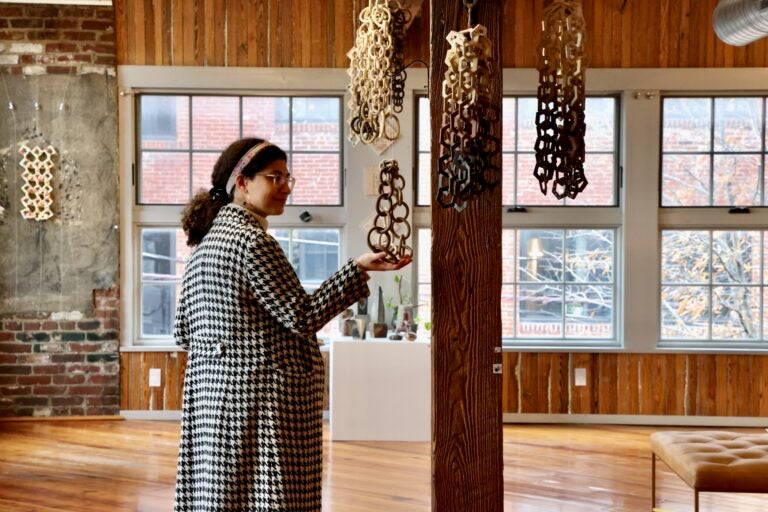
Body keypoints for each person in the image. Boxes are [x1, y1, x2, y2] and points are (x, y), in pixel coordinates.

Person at [173, 137, 411, 511]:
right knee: (274, 500)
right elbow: (303, 316)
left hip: (211, 399)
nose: (285, 187)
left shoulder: (204, 244)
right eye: (274, 177)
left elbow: (182, 331)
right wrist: (357, 267)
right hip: (266, 400)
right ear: (242, 183)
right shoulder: (252, 242)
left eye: (288, 177)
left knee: (222, 497)